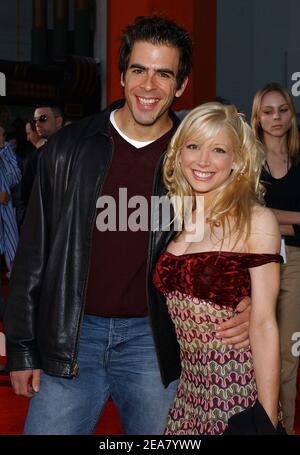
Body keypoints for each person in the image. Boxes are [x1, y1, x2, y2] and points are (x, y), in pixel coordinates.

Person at [4, 16, 250, 435]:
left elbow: (238, 232)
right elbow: (33, 257)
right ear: (122, 75)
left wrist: (247, 299)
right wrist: (23, 350)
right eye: (139, 70)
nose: (149, 86)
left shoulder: (198, 159)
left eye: (163, 73)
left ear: (181, 84)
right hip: (72, 334)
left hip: (153, 341)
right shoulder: (66, 150)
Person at [153, 102, 282, 434]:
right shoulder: (174, 219)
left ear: (237, 160)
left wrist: (266, 421)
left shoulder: (256, 221)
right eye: (193, 146)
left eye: (219, 149)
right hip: (186, 399)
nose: (203, 160)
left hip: (236, 396)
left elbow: (266, 324)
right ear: (179, 153)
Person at [251, 82, 300, 434]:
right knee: (254, 352)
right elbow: (247, 212)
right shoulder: (248, 160)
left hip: (295, 262)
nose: (276, 117)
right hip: (255, 260)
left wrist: (268, 216)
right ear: (257, 117)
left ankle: (283, 427)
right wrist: (294, 218)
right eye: (268, 111)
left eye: (282, 109)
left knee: (288, 358)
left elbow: (260, 213)